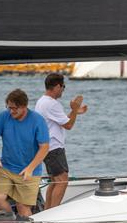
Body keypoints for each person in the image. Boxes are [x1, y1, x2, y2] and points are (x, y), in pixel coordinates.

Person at [0, 89, 49, 218]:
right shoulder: (4, 116)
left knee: (23, 208)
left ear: (24, 106)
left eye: (14, 108)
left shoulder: (38, 120)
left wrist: (30, 168)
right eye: (9, 108)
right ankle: (12, 220)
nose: (11, 111)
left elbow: (44, 147)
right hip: (6, 168)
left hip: (29, 171)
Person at [34, 73, 88, 209]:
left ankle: (47, 211)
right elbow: (69, 125)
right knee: (62, 181)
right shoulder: (52, 104)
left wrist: (74, 112)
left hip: (46, 146)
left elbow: (63, 121)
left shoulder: (42, 101)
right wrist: (74, 110)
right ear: (57, 86)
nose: (63, 89)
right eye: (63, 86)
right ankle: (53, 213)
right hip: (53, 147)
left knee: (55, 181)